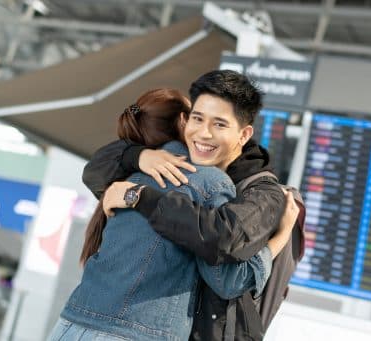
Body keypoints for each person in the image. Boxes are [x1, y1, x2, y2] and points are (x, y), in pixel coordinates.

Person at [49, 88, 297, 341]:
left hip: (70, 324)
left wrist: (138, 157)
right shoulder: (210, 182)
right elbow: (227, 282)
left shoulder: (122, 173)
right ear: (182, 120)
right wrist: (280, 237)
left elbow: (94, 169)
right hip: (137, 333)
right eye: (196, 118)